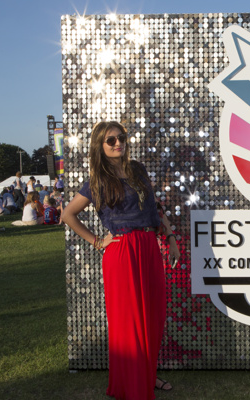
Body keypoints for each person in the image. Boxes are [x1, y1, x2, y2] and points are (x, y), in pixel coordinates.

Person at [61, 121, 180, 399]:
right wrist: (97, 241)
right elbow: (68, 215)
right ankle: (134, 384)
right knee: (129, 323)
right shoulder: (97, 180)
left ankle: (147, 376)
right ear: (100, 147)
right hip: (123, 251)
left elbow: (154, 206)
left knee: (152, 318)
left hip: (149, 246)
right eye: (111, 140)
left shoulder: (137, 169)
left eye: (121, 138)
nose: (118, 143)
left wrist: (170, 237)